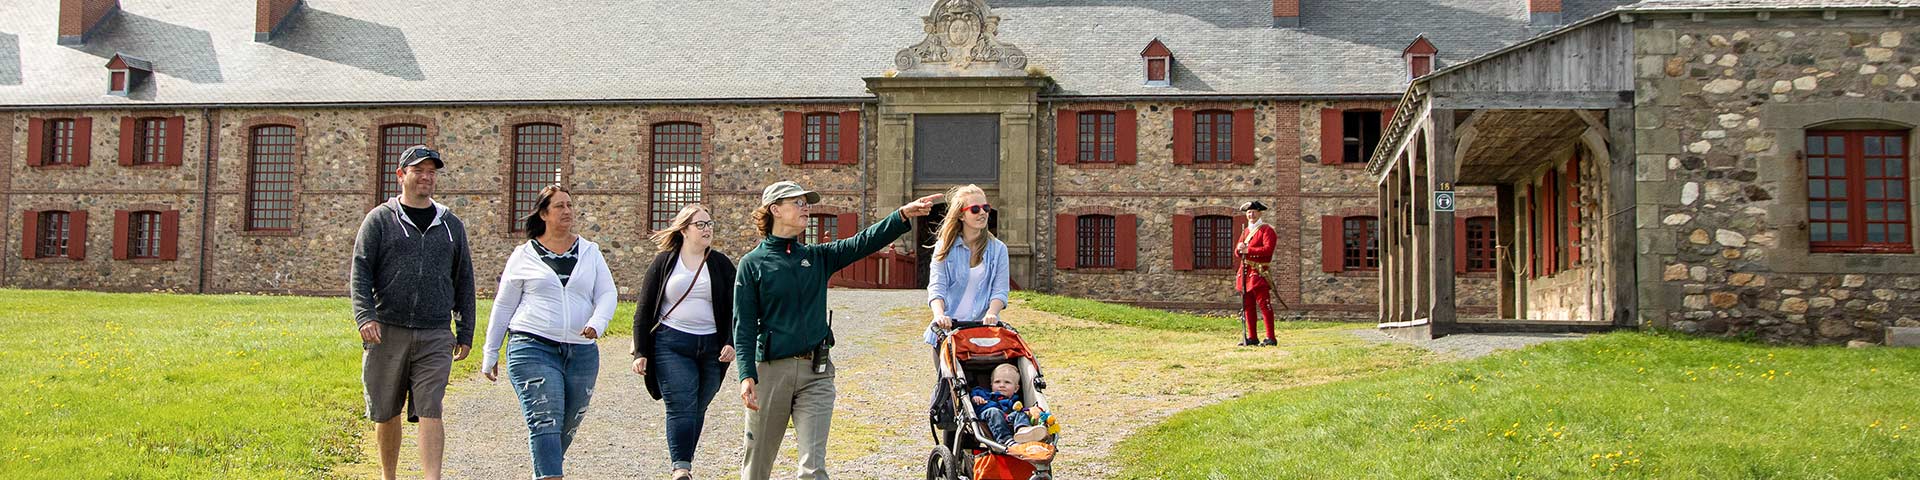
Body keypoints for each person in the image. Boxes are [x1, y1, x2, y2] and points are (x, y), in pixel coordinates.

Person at [734, 181, 941, 480]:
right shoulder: (752, 264)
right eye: (798, 202)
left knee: (813, 468)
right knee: (756, 468)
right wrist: (745, 375)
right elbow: (742, 325)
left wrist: (902, 216)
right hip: (771, 374)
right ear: (775, 210)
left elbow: (862, 242)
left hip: (816, 375)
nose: (806, 207)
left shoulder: (817, 257)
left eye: (807, 202)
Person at [349, 145, 476, 480]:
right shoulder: (379, 220)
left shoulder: (450, 224)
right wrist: (365, 315)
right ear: (401, 175)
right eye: (419, 170)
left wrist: (465, 330)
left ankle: (431, 477)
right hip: (387, 329)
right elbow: (360, 270)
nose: (426, 177)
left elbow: (463, 279)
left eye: (431, 171)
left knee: (431, 407)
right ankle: (388, 476)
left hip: (435, 331)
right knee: (386, 410)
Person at [480, 185, 618, 480]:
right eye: (560, 206)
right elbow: (504, 305)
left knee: (567, 424)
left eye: (569, 205)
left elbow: (607, 294)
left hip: (580, 350)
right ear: (544, 213)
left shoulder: (590, 252)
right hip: (532, 345)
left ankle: (545, 472)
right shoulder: (523, 255)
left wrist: (598, 322)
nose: (567, 211)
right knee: (544, 419)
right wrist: (490, 352)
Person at [632, 204, 737, 480]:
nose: (707, 229)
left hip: (712, 347)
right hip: (672, 343)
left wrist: (731, 341)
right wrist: (640, 351)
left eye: (710, 224)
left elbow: (737, 308)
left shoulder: (721, 264)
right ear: (684, 230)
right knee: (680, 404)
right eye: (700, 224)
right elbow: (643, 309)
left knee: (700, 404)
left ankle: (684, 459)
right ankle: (681, 468)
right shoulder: (665, 261)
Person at [924, 184, 1012, 341]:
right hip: (948, 332)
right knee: (951, 367)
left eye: (985, 207)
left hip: (983, 330)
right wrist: (939, 315)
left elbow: (1000, 290)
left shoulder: (999, 249)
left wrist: (992, 313)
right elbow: (937, 287)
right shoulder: (944, 247)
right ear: (961, 215)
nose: (983, 213)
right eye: (975, 209)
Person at [969, 364, 1047, 445]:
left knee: (1019, 413)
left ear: (1016, 388)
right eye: (997, 382)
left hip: (1006, 418)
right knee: (994, 411)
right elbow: (973, 394)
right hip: (985, 418)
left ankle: (1023, 430)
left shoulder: (1012, 401)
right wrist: (975, 398)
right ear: (991, 384)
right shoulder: (985, 394)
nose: (1002, 385)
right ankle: (1005, 440)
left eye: (1007, 382)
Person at [1235, 200, 1278, 347]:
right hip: (1245, 273)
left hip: (1258, 272)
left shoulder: (1267, 230)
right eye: (1248, 212)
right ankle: (1252, 337)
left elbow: (1268, 250)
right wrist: (1239, 248)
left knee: (1264, 305)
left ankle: (1270, 337)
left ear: (1260, 213)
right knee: (1248, 306)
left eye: (1253, 212)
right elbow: (1237, 252)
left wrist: (1249, 250)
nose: (1250, 214)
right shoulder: (1245, 231)